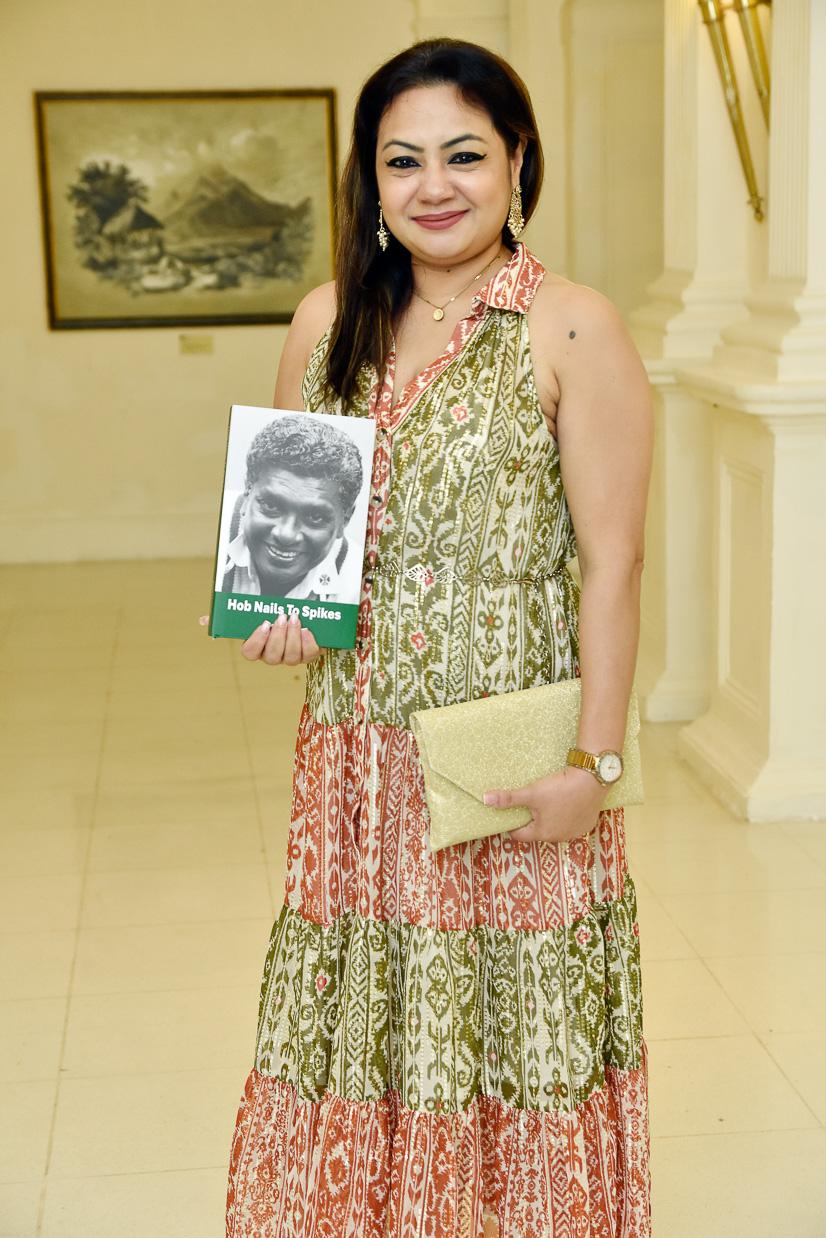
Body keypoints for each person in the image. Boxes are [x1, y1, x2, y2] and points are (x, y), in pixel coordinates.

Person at [219, 36, 654, 1237]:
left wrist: (595, 763)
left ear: (518, 160)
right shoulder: (328, 321)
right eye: (401, 161)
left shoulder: (571, 327)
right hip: (357, 763)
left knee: (517, 1031)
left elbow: (613, 563)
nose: (434, 185)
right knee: (369, 1023)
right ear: (370, 180)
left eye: (463, 154)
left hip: (506, 766)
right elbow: (295, 540)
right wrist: (282, 611)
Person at [220, 414, 364, 602]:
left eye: (315, 517)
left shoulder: (358, 587)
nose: (286, 535)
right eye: (271, 506)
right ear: (247, 492)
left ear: (345, 520)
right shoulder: (209, 534)